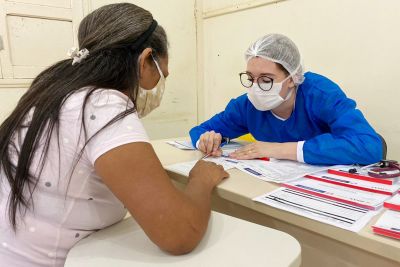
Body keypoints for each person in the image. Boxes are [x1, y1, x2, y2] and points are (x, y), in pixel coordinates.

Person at [0, 3, 228, 266]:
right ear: (145, 60)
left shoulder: (51, 93)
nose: (159, 87)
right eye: (161, 76)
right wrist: (201, 178)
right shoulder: (103, 105)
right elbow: (179, 233)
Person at [189, 33, 382, 165]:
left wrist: (278, 150)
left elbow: (370, 146)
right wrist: (205, 141)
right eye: (250, 78)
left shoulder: (320, 94)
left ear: (292, 78)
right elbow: (200, 130)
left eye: (266, 80)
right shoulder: (248, 106)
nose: (256, 87)